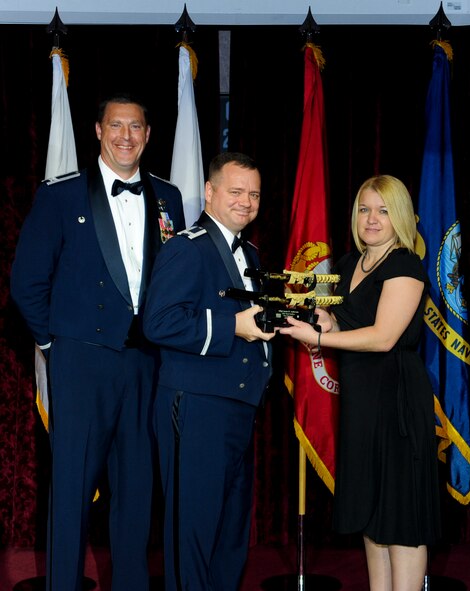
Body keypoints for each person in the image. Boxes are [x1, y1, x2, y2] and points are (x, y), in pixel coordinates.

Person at [10, 93, 185, 590]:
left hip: (145, 365)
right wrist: (55, 344)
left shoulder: (168, 198)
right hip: (80, 365)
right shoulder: (61, 195)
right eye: (115, 125)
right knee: (71, 493)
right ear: (97, 131)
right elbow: (27, 282)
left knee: (136, 494)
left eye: (135, 127)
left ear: (148, 135)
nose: (125, 135)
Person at [278, 175, 441, 591]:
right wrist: (322, 319)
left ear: (401, 216)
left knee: (400, 517)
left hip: (398, 399)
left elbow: (383, 336)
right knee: (372, 512)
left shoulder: (405, 263)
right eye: (365, 209)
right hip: (361, 401)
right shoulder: (350, 263)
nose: (372, 219)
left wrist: (316, 338)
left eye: (383, 211)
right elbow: (349, 320)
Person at [142, 151, 275, 591]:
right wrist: (233, 326)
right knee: (193, 531)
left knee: (230, 533)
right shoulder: (186, 246)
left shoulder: (251, 251)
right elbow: (158, 322)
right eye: (236, 191)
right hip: (195, 405)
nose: (246, 201)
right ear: (210, 192)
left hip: (239, 404)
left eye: (253, 194)